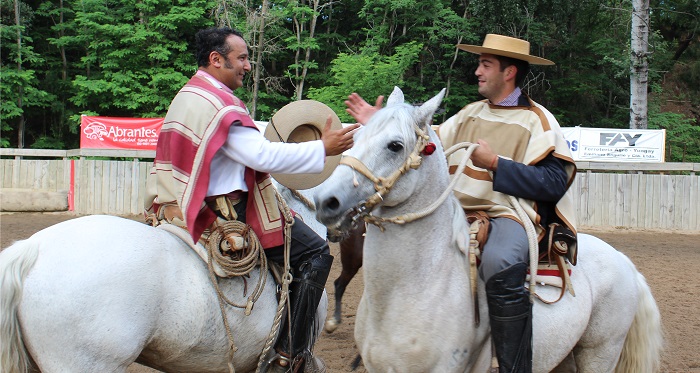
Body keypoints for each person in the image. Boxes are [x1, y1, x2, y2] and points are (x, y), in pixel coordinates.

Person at [344, 34, 577, 373]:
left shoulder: (539, 121)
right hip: (452, 209)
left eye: (485, 65)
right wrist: (385, 123)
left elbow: (554, 183)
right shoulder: (469, 113)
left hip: (506, 215)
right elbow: (424, 141)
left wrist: (496, 163)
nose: (477, 72)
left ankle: (514, 366)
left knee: (499, 263)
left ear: (509, 71)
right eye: (479, 64)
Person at [144, 26, 359, 372]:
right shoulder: (221, 105)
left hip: (179, 203)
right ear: (217, 59)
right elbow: (264, 158)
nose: (247, 65)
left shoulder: (189, 95)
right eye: (241, 58)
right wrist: (324, 148)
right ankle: (291, 355)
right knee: (317, 253)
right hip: (227, 209)